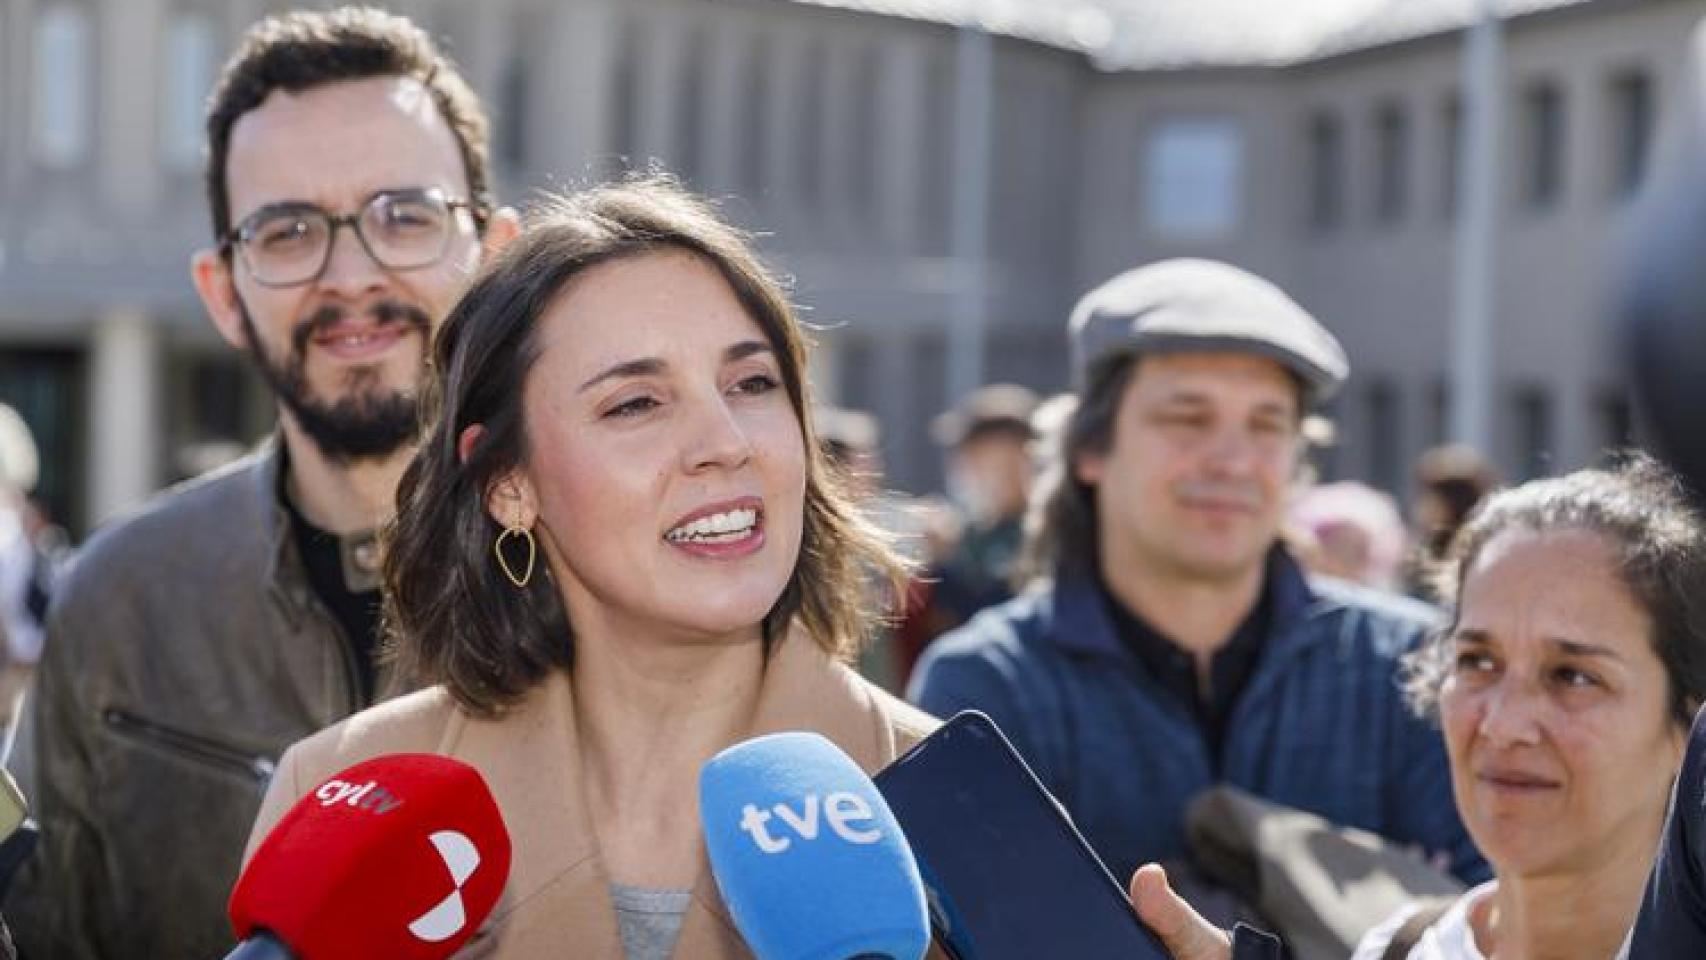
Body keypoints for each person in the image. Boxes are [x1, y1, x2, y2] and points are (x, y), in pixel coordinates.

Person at [241, 178, 937, 958]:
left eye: (751, 383)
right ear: (509, 483)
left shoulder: (964, 812)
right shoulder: (343, 793)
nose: (726, 440)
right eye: (636, 403)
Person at [6, 9, 518, 957]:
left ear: (493, 254)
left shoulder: (608, 583)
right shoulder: (119, 600)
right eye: (287, 231)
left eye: (403, 215)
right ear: (223, 292)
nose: (352, 273)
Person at [910, 258, 1486, 900]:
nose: (1234, 459)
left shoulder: (1409, 666)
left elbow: (1502, 923)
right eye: (1188, 417)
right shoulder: (988, 688)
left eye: (1267, 424)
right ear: (1089, 450)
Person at [1351, 455, 1706, 960]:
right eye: (1477, 661)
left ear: (1688, 729)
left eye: (1574, 676)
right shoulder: (1398, 949)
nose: (1503, 724)